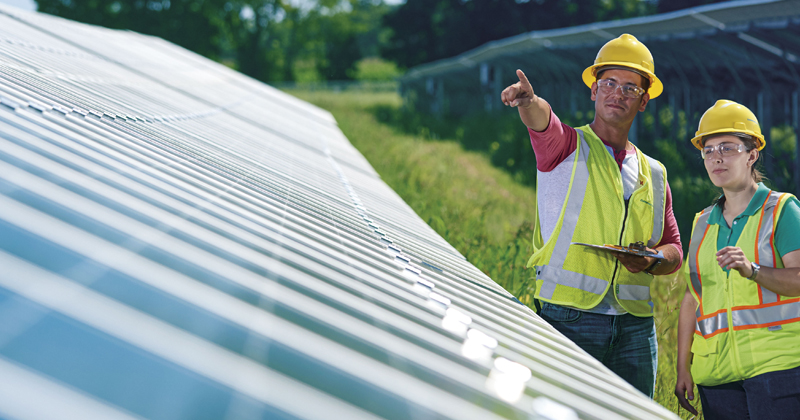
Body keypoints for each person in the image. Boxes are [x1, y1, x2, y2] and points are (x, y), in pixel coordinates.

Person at [500, 33, 683, 398]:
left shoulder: (656, 173)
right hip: (569, 318)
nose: (619, 93)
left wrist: (650, 261)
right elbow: (542, 119)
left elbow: (674, 249)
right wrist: (529, 101)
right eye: (610, 83)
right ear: (594, 91)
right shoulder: (565, 146)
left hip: (635, 326)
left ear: (644, 101)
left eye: (631, 88)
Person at [674, 100, 800, 419]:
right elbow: (692, 297)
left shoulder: (782, 211)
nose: (716, 157)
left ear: (751, 154)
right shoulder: (702, 222)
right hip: (716, 376)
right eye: (709, 149)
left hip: (779, 370)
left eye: (728, 148)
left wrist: (753, 270)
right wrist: (682, 368)